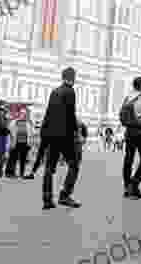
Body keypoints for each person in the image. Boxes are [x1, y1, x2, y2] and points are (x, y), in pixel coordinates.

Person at [40, 67, 81, 210]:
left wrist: (44, 134)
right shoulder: (70, 91)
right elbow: (71, 115)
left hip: (52, 135)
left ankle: (47, 199)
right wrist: (76, 132)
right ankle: (65, 195)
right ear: (72, 77)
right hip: (65, 137)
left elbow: (48, 114)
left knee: (49, 167)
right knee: (74, 164)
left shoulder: (54, 91)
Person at [7, 112, 33, 179]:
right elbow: (9, 130)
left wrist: (30, 143)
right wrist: (11, 141)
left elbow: (31, 133)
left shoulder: (28, 123)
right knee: (13, 158)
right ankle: (11, 173)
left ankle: (21, 173)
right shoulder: (14, 122)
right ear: (19, 115)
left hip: (25, 143)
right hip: (16, 143)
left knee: (23, 159)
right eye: (21, 114)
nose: (23, 116)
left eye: (24, 114)